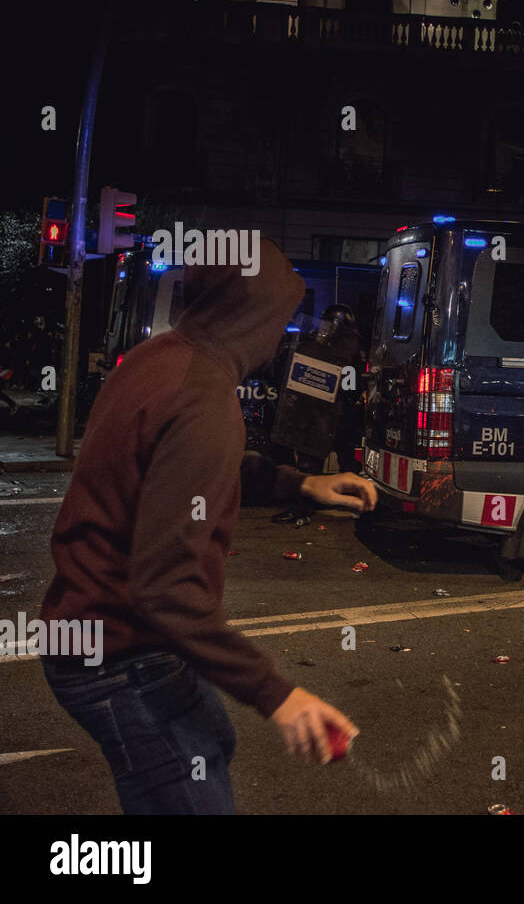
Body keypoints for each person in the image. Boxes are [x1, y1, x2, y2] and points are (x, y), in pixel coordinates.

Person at [40, 238, 375, 814]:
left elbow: (183, 465)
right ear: (253, 313)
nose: (282, 334)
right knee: (189, 786)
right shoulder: (204, 400)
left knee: (211, 740)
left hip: (92, 631)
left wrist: (299, 483)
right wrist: (281, 697)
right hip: (119, 653)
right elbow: (167, 590)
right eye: (280, 317)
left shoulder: (161, 358)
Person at [271, 303, 365, 524]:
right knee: (343, 463)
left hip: (330, 417)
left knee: (310, 464)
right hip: (336, 417)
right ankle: (357, 506)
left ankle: (301, 511)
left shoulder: (343, 352)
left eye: (328, 324)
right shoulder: (340, 350)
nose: (323, 328)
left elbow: (350, 387)